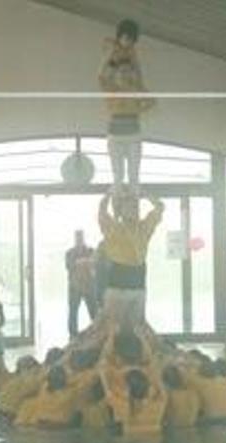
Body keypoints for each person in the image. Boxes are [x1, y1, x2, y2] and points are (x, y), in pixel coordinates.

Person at [98, 19, 155, 186]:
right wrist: (110, 54)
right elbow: (102, 75)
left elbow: (138, 72)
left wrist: (136, 106)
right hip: (116, 133)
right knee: (118, 176)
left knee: (133, 176)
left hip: (132, 131)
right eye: (125, 38)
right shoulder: (111, 86)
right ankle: (117, 200)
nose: (127, 42)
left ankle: (132, 201)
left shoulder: (132, 55)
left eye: (130, 40)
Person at [98, 188, 164, 325]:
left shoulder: (143, 227)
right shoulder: (113, 228)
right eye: (128, 207)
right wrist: (109, 193)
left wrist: (145, 194)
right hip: (118, 280)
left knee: (137, 326)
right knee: (111, 327)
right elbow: (102, 212)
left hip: (138, 280)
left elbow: (160, 207)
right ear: (120, 210)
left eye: (135, 207)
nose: (133, 210)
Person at [66, 230, 97, 337]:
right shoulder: (69, 253)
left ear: (84, 238)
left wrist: (82, 263)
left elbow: (95, 264)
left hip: (89, 287)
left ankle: (97, 333)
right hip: (75, 287)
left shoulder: (91, 251)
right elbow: (70, 266)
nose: (79, 240)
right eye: (77, 238)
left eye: (81, 237)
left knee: (94, 312)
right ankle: (73, 335)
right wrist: (84, 262)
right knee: (73, 312)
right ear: (75, 239)